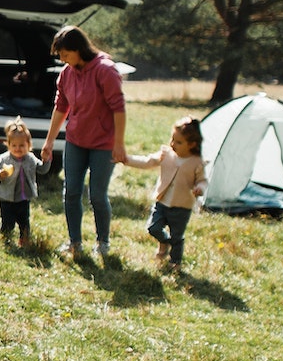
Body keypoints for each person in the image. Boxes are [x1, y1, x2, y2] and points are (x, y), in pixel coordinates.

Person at [38, 25, 127, 260]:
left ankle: (103, 242)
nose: (63, 59)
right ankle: (74, 242)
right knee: (71, 192)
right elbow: (61, 107)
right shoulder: (67, 73)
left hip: (103, 143)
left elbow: (118, 108)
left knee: (97, 195)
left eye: (65, 54)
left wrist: (119, 144)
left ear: (78, 49)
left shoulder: (105, 70)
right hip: (76, 140)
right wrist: (49, 141)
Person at [123, 116, 207, 270]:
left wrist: (200, 189)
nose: (173, 144)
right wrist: (126, 159)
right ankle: (164, 242)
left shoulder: (196, 162)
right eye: (172, 139)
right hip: (162, 202)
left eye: (179, 142)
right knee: (153, 228)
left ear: (192, 144)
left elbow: (202, 180)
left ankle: (175, 263)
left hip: (182, 206)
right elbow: (147, 161)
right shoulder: (166, 154)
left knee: (177, 236)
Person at [0, 120, 42, 247]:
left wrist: (47, 159)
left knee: (24, 221)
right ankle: (6, 238)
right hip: (6, 197)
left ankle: (24, 240)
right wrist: (0, 175)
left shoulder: (30, 158)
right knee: (7, 221)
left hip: (23, 197)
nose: (17, 149)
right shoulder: (4, 158)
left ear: (28, 145)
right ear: (8, 145)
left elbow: (42, 169)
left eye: (21, 145)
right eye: (14, 145)